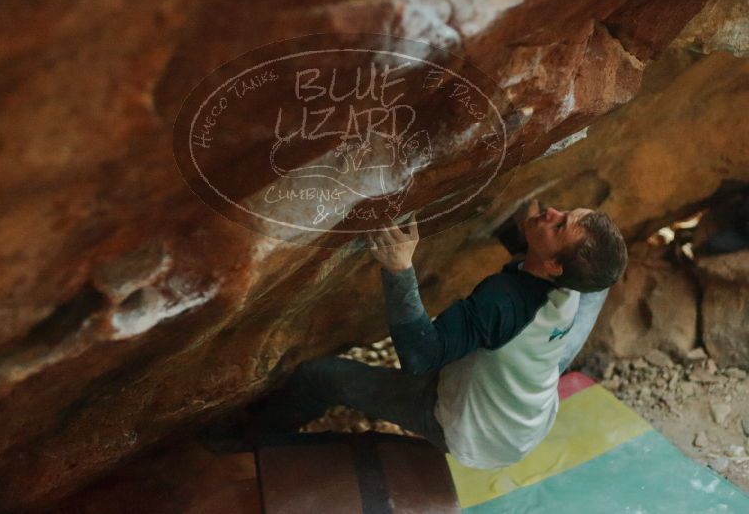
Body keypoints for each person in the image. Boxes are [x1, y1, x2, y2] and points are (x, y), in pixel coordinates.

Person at [252, 200, 627, 469]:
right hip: (531, 405)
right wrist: (529, 234)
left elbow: (420, 357)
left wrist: (399, 270)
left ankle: (248, 440)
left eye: (559, 226)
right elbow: (580, 268)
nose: (551, 210)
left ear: (553, 266)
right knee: (597, 283)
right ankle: (533, 249)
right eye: (567, 212)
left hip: (475, 432)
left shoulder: (501, 302)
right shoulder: (578, 280)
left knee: (317, 377)